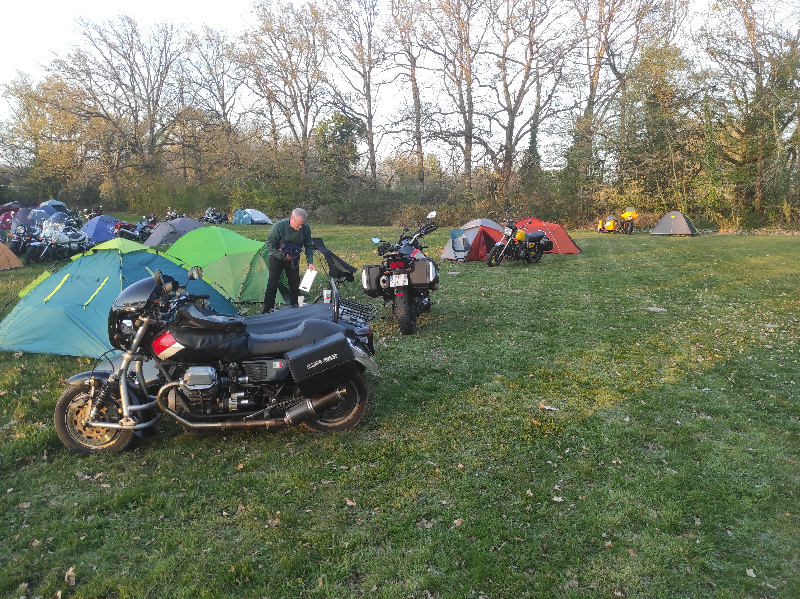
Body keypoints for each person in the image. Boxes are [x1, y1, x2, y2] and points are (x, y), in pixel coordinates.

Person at [262, 208, 316, 313]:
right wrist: (282, 256)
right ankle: (267, 311)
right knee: (272, 284)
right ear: (292, 218)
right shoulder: (279, 226)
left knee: (295, 285)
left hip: (293, 257)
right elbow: (269, 244)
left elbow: (309, 246)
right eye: (298, 224)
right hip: (277, 257)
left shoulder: (306, 229)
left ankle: (294, 310)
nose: (300, 227)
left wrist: (310, 262)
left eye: (303, 224)